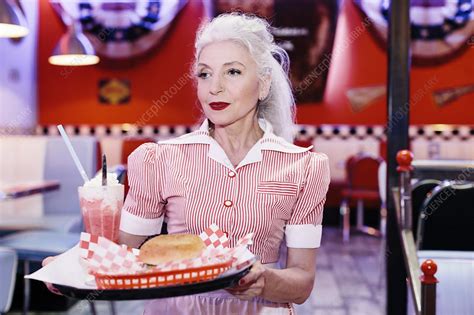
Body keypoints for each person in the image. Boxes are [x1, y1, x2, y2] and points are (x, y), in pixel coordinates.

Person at [44, 12, 330, 314]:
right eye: (205, 74)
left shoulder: (304, 167)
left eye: (232, 72)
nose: (214, 87)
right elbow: (120, 251)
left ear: (263, 84)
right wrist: (69, 265)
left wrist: (264, 281)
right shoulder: (159, 159)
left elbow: (302, 282)